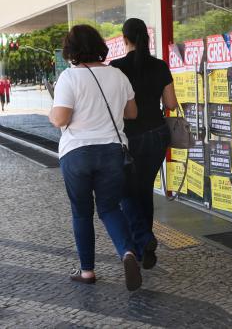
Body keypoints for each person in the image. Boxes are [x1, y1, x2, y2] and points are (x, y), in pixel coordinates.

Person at [49, 24, 142, 291]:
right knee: (110, 208)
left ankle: (87, 271)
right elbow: (131, 113)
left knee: (81, 212)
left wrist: (51, 114)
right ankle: (127, 252)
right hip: (112, 152)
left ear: (71, 49)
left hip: (76, 153)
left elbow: (60, 118)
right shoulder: (118, 76)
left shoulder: (69, 77)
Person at [110, 18, 177, 270]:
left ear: (124, 38)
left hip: (129, 138)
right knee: (144, 189)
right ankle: (144, 246)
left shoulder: (116, 68)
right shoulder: (160, 66)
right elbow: (170, 104)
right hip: (157, 135)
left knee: (126, 191)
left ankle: (143, 241)